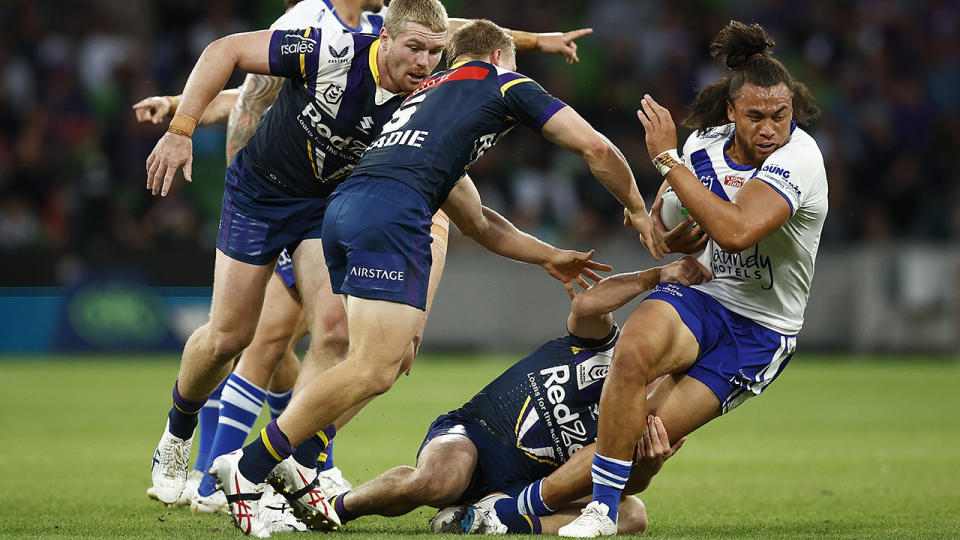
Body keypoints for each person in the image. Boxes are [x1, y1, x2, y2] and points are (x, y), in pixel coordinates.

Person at [210, 18, 666, 536]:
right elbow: (598, 149)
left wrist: (546, 256)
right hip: (393, 215)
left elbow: (480, 221)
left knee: (388, 355)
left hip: (344, 211)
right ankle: (249, 467)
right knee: (374, 367)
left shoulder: (427, 101)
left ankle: (303, 453)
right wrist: (635, 207)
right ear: (497, 57)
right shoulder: (501, 81)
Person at [138, 0, 596, 516]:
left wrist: (534, 42)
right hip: (259, 196)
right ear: (384, 39)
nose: (425, 62)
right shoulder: (330, 48)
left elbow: (473, 211)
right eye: (414, 48)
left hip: (324, 207)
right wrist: (181, 129)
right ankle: (178, 433)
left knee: (336, 331)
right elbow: (227, 52)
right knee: (229, 337)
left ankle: (287, 463)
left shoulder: (421, 100)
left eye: (434, 52)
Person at [541, 21, 826, 537]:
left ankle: (506, 511)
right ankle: (601, 513)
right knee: (632, 351)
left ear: (793, 112)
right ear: (730, 113)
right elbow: (670, 227)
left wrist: (668, 162)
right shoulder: (703, 145)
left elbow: (736, 232)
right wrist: (669, 237)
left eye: (780, 116)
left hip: (761, 330)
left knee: (643, 436)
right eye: (756, 116)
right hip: (704, 295)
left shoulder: (800, 158)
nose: (770, 129)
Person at [322, 256, 709, 535]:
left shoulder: (659, 413)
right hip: (477, 434)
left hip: (527, 488)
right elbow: (586, 304)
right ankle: (335, 508)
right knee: (439, 480)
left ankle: (491, 522)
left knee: (633, 515)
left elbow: (620, 482)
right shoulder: (605, 343)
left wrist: (648, 466)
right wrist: (656, 275)